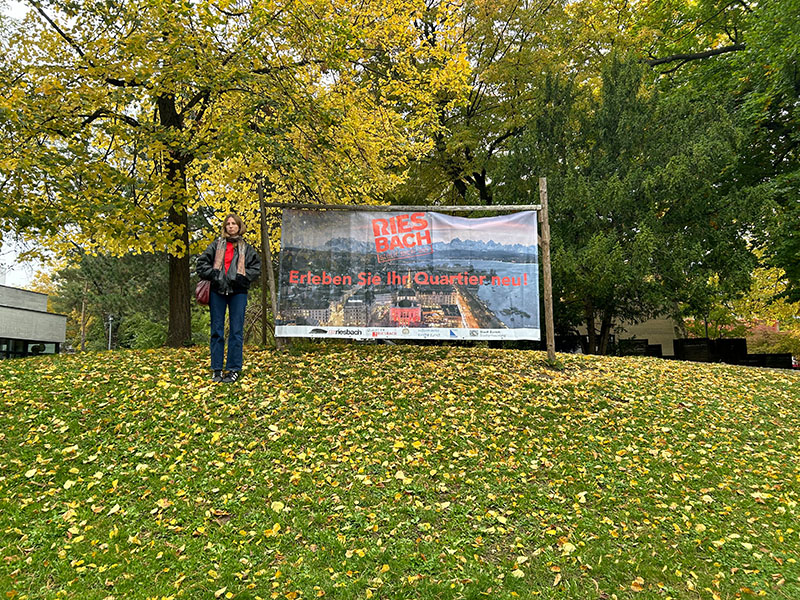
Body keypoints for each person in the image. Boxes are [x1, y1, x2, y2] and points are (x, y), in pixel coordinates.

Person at [196, 213, 261, 383]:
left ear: (239, 226)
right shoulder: (216, 245)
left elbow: (256, 267)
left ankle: (233, 369)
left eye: (234, 223)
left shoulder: (246, 248)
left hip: (238, 292)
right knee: (216, 331)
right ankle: (217, 369)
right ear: (225, 227)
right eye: (228, 223)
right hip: (217, 292)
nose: (231, 226)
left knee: (236, 332)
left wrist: (243, 277)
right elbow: (201, 264)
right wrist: (213, 273)